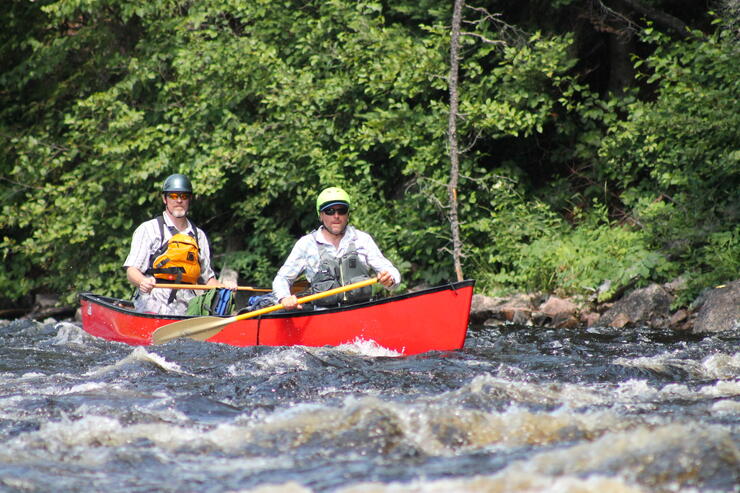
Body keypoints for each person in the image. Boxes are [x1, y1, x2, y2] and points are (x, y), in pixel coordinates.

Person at [123, 174, 236, 315]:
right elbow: (131, 271)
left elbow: (208, 281)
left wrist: (224, 287)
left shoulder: (198, 235)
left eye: (184, 196)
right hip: (153, 302)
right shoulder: (148, 229)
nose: (179, 200)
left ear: (189, 199)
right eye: (173, 195)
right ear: (165, 199)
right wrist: (142, 282)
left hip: (187, 307)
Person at [273, 187, 400, 309]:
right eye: (330, 211)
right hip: (323, 316)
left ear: (347, 214)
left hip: (362, 311)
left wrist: (389, 280)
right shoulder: (306, 244)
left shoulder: (362, 239)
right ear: (321, 215)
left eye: (342, 210)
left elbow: (392, 273)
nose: (336, 216)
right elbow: (282, 279)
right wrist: (284, 298)